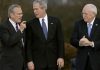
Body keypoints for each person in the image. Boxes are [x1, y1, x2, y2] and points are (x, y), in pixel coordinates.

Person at [25, 0, 64, 70]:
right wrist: (29, 61)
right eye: (33, 9)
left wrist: (61, 57)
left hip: (53, 62)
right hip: (37, 63)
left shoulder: (56, 21)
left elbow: (60, 40)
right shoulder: (30, 24)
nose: (34, 11)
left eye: (36, 9)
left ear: (43, 8)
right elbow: (28, 44)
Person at [70, 3, 100, 70]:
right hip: (81, 62)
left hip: (97, 61)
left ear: (93, 14)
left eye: (85, 14)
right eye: (82, 13)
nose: (83, 16)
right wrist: (79, 43)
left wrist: (91, 43)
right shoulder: (78, 24)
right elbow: (72, 40)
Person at [0, 4, 26, 70]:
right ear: (11, 15)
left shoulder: (21, 25)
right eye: (19, 14)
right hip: (9, 66)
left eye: (21, 13)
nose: (21, 16)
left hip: (22, 65)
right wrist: (20, 30)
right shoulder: (3, 26)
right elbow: (9, 42)